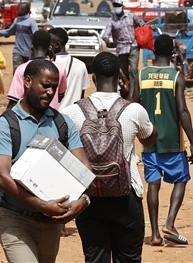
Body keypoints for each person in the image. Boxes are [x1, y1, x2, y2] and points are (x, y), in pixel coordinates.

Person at [0, 60, 92, 263]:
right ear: (27, 81)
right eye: (45, 85)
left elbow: (83, 170)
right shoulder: (5, 125)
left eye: (54, 87)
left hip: (51, 225)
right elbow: (0, 177)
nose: (50, 92)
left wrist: (84, 200)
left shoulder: (63, 123)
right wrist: (40, 204)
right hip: (15, 219)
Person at [62, 52, 157, 262]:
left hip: (88, 197)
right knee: (129, 258)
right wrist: (128, 97)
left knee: (95, 258)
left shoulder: (72, 112)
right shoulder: (134, 110)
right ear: (120, 76)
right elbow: (150, 139)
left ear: (94, 77)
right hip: (127, 196)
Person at [134, 35, 193, 247]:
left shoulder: (141, 76)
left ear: (152, 52)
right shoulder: (177, 76)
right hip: (172, 141)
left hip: (148, 140)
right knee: (181, 179)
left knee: (153, 184)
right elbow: (182, 110)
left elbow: (133, 105)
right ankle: (170, 222)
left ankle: (154, 234)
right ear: (172, 53)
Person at [7, 30, 67, 110]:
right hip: (51, 118)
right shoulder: (59, 69)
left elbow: (14, 100)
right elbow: (60, 96)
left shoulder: (22, 69)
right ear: (50, 47)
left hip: (29, 118)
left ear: (31, 46)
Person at [102, 0, 143, 97]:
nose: (116, 7)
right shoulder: (112, 20)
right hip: (121, 49)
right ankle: (125, 93)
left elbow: (142, 25)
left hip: (133, 46)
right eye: (115, 6)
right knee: (123, 73)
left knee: (133, 69)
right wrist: (108, 41)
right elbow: (105, 35)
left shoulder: (131, 16)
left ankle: (134, 93)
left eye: (118, 5)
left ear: (122, 6)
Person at [48, 28, 90, 110]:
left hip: (53, 117)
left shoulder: (47, 65)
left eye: (48, 43)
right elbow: (82, 96)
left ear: (57, 45)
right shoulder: (81, 65)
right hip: (74, 116)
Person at [0, 1, 39, 74]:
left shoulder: (31, 22)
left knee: (28, 73)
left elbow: (36, 35)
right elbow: (8, 32)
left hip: (29, 53)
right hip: (17, 51)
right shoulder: (17, 20)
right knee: (17, 72)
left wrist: (34, 47)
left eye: (19, 9)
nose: (17, 11)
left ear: (26, 11)